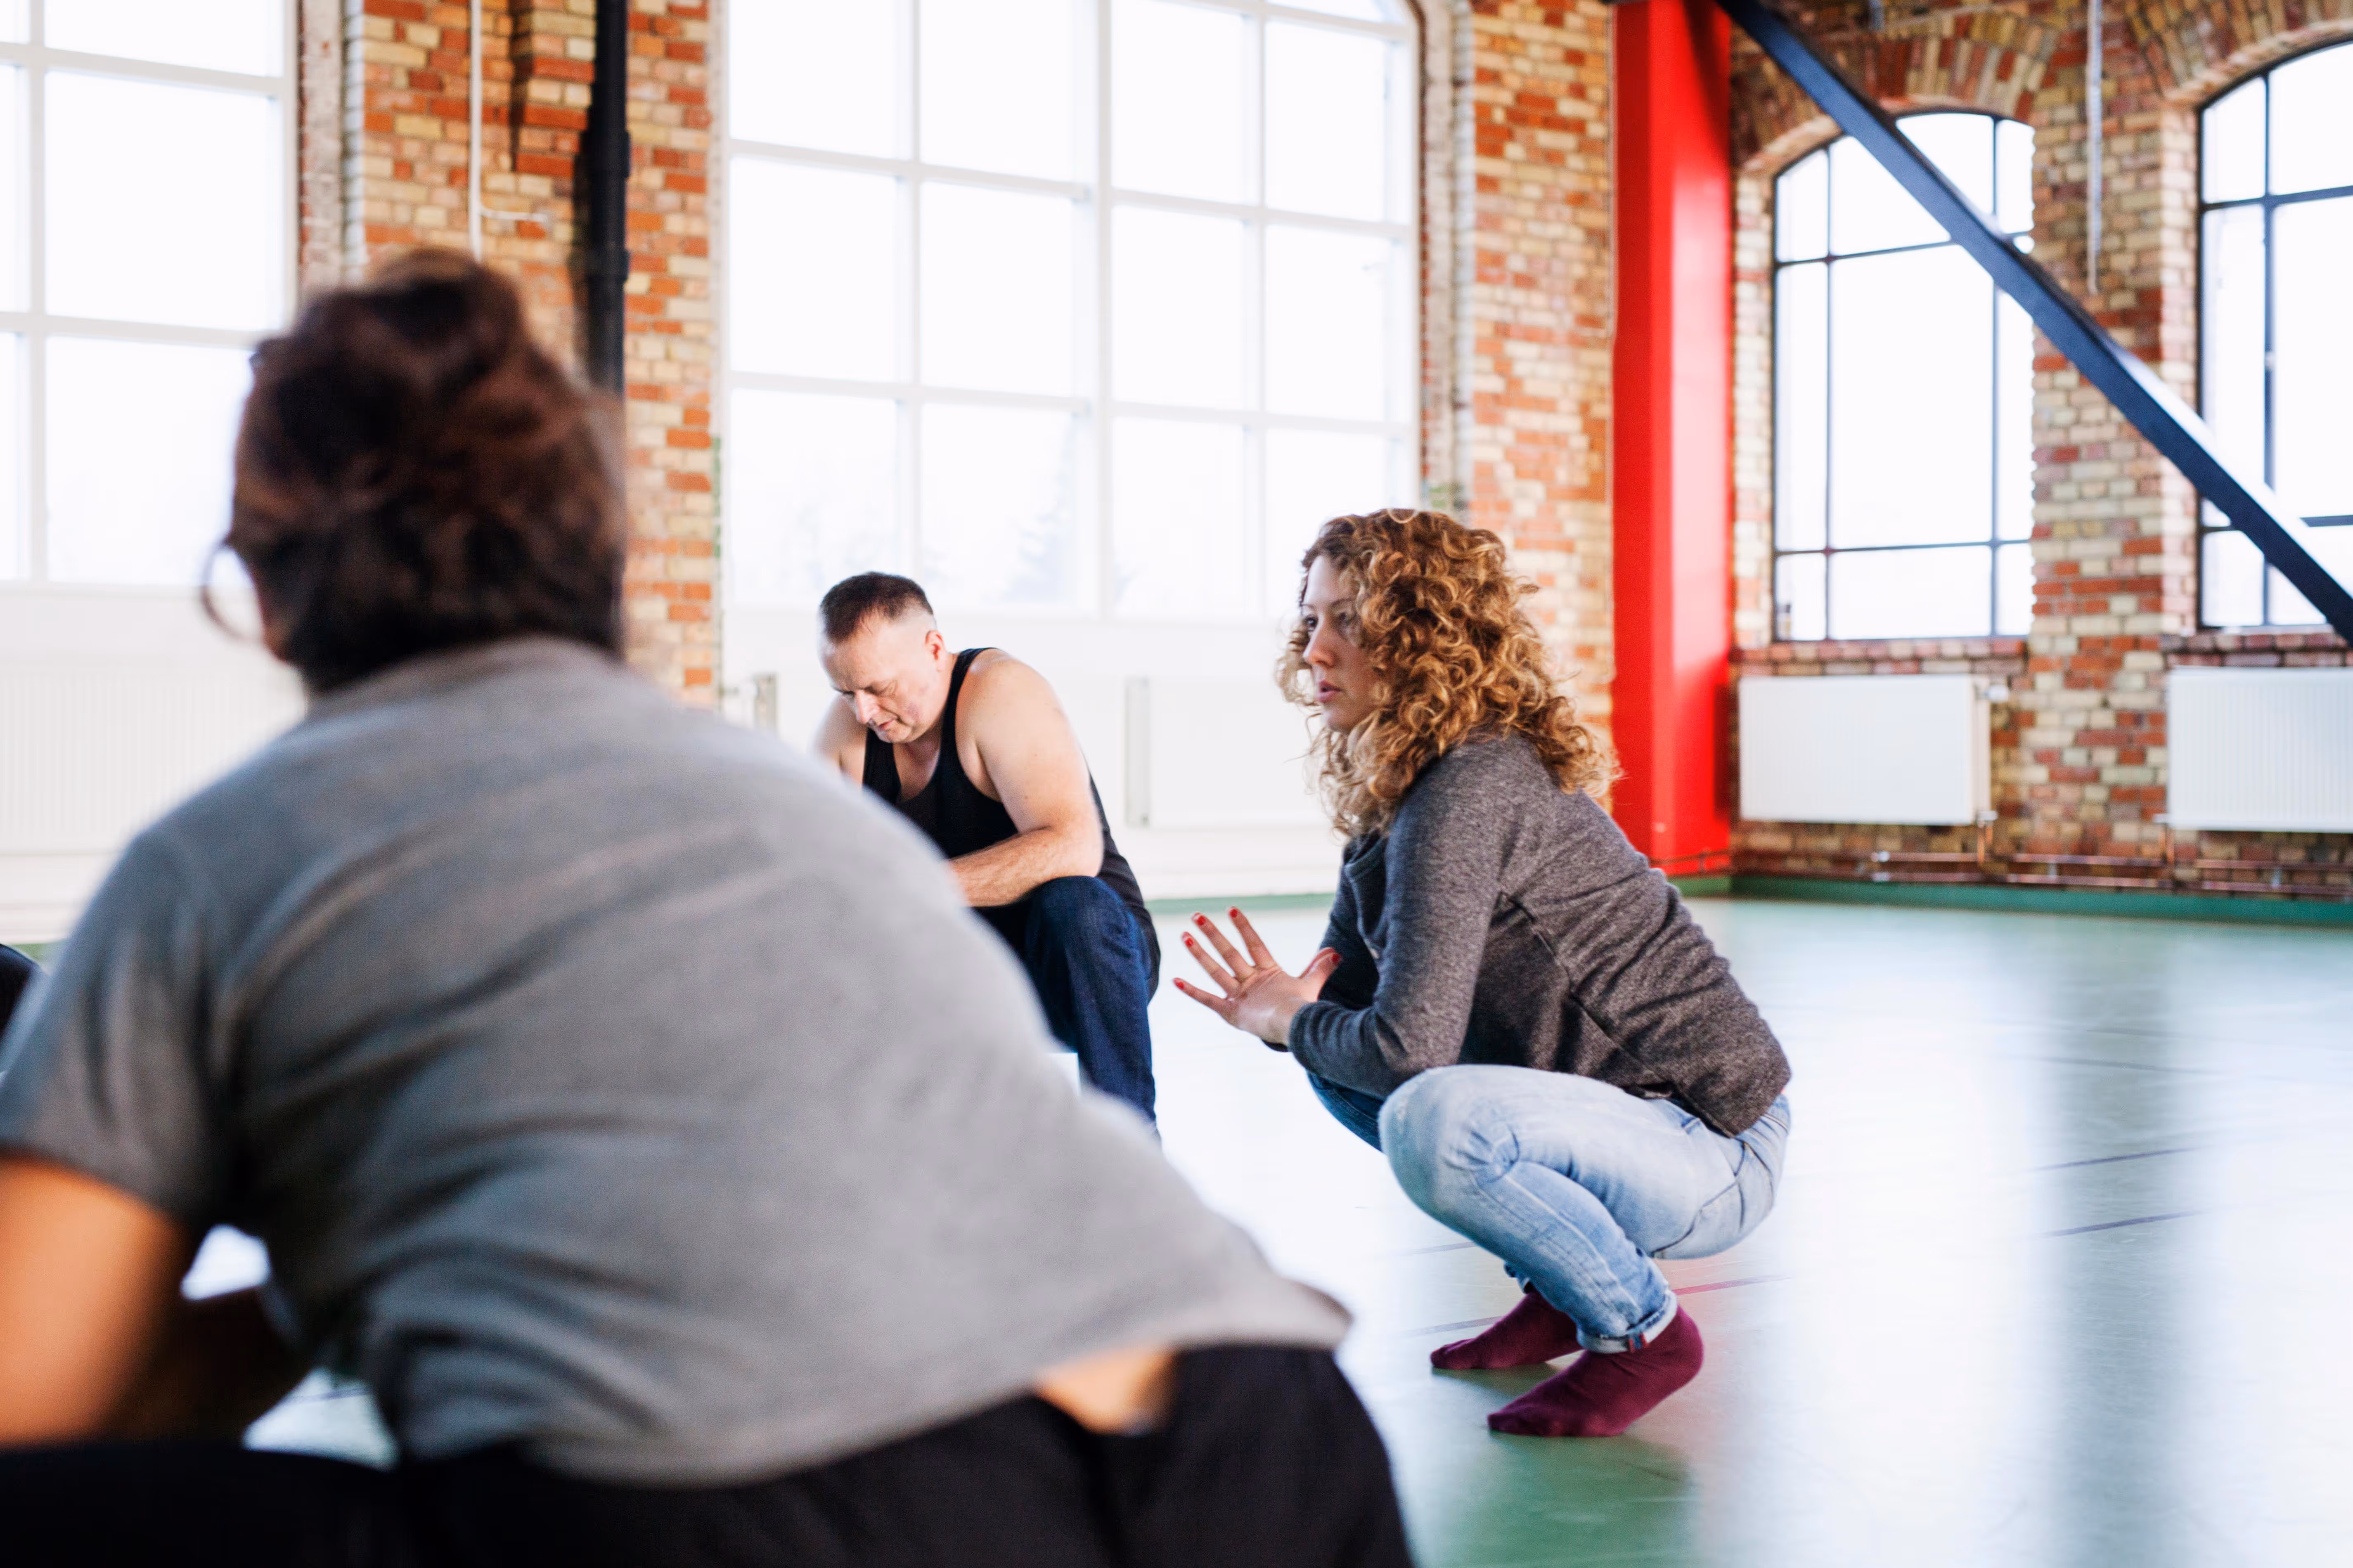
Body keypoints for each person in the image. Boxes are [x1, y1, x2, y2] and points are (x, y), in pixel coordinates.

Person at [0, 251, 1411, 1568]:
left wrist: (332, 1277)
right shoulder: (795, 810)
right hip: (1264, 1431)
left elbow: (36, 1386)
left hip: (773, 1499)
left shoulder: (216, 859)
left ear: (262, 594)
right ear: (599, 561)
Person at [1176, 509, 1793, 1440]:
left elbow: (1407, 1048)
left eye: (1348, 619)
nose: (1316, 648)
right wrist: (1294, 1016)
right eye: (1312, 620)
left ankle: (1642, 1334)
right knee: (1343, 1076)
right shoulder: (1404, 793)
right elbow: (1345, 1010)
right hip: (1613, 1128)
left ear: (1422, 634)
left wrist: (1284, 1021)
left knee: (1426, 1113)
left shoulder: (1471, 784)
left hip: (1710, 1145)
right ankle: (1562, 1284)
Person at [813, 577, 1159, 1123]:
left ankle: (1135, 1154)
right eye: (846, 692)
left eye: (879, 688)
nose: (864, 712)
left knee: (1075, 902)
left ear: (933, 649)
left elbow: (1074, 847)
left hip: (1081, 961)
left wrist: (909, 885)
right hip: (970, 965)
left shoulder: (999, 690)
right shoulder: (851, 730)